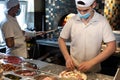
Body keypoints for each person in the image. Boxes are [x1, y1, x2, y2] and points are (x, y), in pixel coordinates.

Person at [58, 0, 116, 72]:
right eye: (79, 10)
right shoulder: (72, 20)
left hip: (94, 70)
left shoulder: (102, 21)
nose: (81, 13)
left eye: (85, 10)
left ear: (93, 5)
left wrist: (92, 62)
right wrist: (67, 58)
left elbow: (112, 46)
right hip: (73, 69)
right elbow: (61, 40)